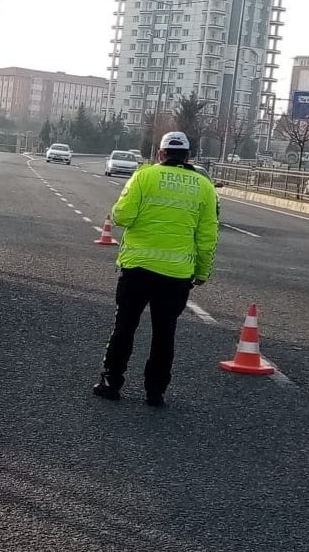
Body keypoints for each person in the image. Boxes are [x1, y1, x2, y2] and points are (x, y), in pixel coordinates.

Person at [93, 131, 219, 407]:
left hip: (137, 268)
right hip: (176, 275)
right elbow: (208, 236)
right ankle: (155, 392)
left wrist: (118, 212)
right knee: (165, 333)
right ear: (188, 157)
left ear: (160, 154)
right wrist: (201, 271)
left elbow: (123, 215)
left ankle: (111, 382)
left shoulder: (144, 176)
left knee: (124, 327)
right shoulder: (204, 187)